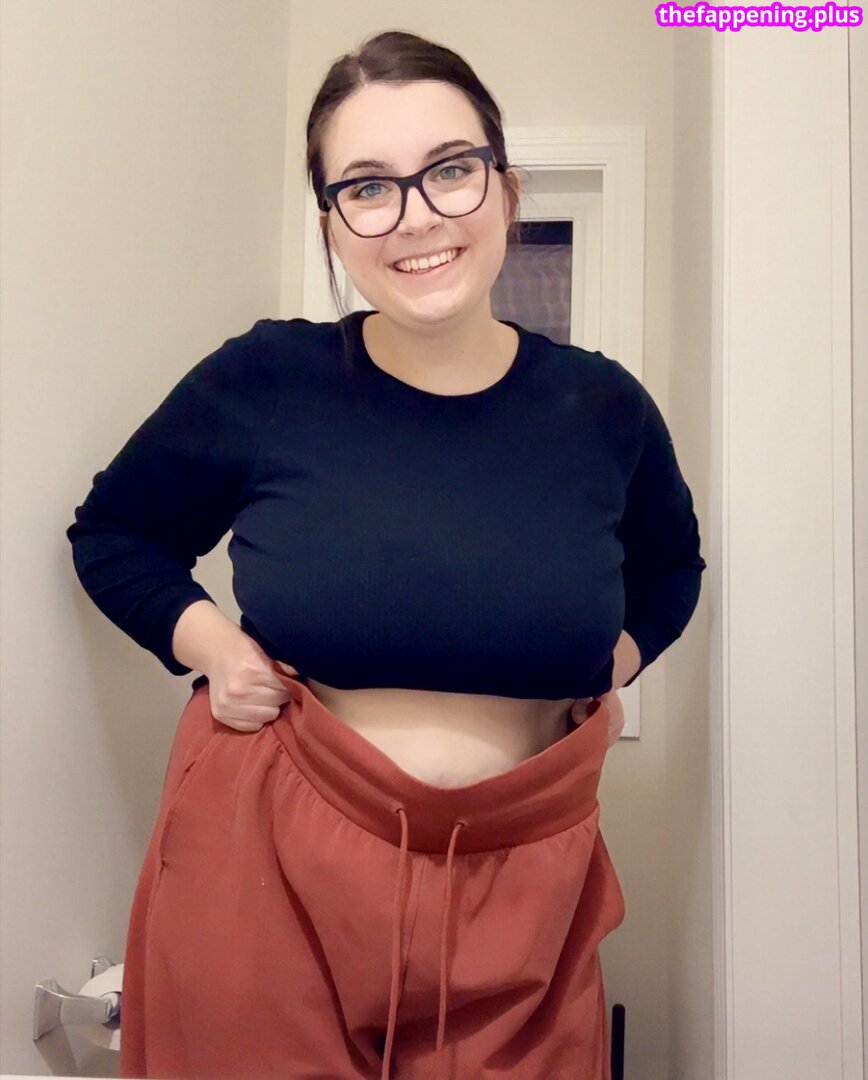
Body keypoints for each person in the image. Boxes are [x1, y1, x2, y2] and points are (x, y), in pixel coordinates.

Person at [66, 29, 705, 1080]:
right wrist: (213, 647)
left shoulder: (603, 409)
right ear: (331, 223)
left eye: (450, 170)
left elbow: (672, 570)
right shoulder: (268, 378)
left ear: (507, 189)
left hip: (528, 888)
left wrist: (615, 657)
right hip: (265, 872)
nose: (415, 216)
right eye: (367, 187)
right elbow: (115, 533)